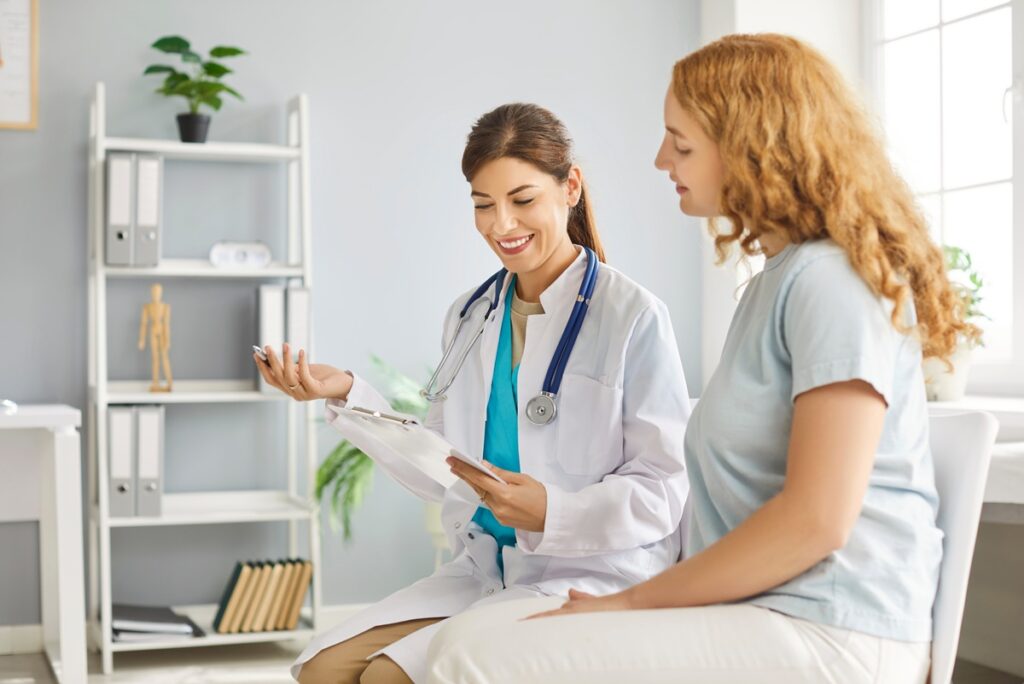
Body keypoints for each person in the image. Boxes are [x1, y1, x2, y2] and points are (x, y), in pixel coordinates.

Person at [426, 35, 976, 684]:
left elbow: (816, 522)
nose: (662, 158)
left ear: (755, 148)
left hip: (833, 632)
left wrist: (630, 603)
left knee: (468, 658)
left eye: (681, 144)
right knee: (475, 638)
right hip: (768, 614)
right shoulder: (774, 282)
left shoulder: (831, 282)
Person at [255, 102, 692, 684]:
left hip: (589, 572)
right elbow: (442, 464)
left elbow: (663, 489)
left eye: (522, 199)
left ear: (571, 188)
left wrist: (551, 511)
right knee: (322, 672)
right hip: (489, 567)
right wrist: (348, 394)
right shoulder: (471, 314)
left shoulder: (632, 316)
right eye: (483, 205)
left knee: (389, 678)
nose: (500, 225)